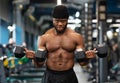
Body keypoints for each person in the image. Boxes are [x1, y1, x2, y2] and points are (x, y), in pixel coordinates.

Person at [25, 5, 96, 83]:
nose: (60, 24)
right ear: (52, 20)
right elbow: (39, 65)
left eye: (63, 21)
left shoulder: (76, 37)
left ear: (67, 20)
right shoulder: (44, 38)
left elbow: (82, 63)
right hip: (50, 76)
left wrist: (88, 58)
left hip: (69, 76)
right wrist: (34, 58)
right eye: (57, 21)